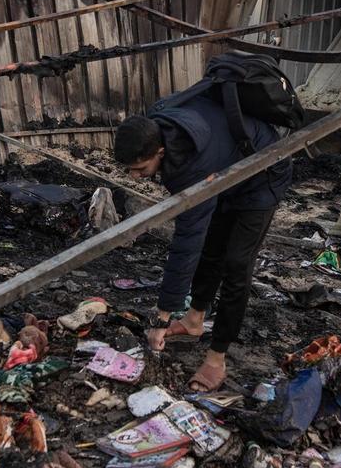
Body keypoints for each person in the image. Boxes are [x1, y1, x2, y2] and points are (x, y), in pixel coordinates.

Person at [113, 76, 292, 392]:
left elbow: (185, 245)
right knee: (212, 247)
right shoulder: (160, 121)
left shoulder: (190, 166)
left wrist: (162, 318)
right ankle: (195, 319)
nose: (136, 177)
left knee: (236, 264)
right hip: (226, 170)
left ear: (160, 150)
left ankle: (216, 359)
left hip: (263, 174)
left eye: (140, 169)